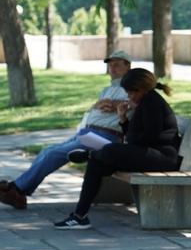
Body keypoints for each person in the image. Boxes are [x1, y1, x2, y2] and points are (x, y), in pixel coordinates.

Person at [0, 50, 133, 210]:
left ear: (128, 67)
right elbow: (96, 110)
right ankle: (19, 193)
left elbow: (133, 104)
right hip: (88, 133)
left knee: (53, 154)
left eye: (117, 65)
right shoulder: (106, 90)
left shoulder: (131, 87)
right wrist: (95, 106)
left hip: (107, 138)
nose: (113, 68)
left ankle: (17, 189)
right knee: (47, 150)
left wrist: (116, 104)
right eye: (110, 65)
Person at [53, 68, 182, 229]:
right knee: (97, 163)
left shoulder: (152, 103)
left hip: (163, 157)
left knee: (110, 150)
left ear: (141, 89)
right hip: (147, 153)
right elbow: (134, 137)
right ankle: (80, 216)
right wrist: (123, 118)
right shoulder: (143, 103)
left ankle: (90, 154)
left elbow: (147, 138)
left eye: (131, 92)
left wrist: (126, 142)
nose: (128, 96)